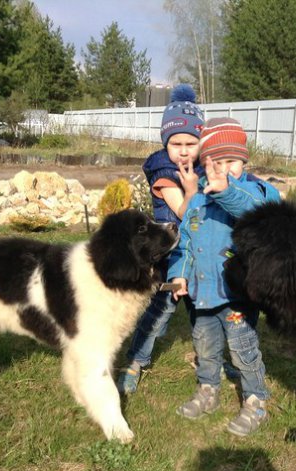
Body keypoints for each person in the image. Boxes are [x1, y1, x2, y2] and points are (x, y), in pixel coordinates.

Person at [168, 117, 281, 437]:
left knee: (243, 349)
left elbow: (260, 217)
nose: (222, 169)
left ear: (243, 160)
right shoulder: (198, 201)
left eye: (230, 161)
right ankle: (208, 389)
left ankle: (255, 399)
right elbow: (186, 244)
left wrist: (227, 192)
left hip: (236, 295)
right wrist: (180, 276)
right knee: (205, 347)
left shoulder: (254, 191)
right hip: (202, 294)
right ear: (204, 164)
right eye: (214, 162)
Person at [115, 84, 204, 394]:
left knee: (202, 310)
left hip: (198, 251)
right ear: (166, 142)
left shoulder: (199, 168)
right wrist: (194, 190)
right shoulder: (165, 171)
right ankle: (136, 361)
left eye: (190, 143)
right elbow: (183, 209)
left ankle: (208, 362)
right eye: (175, 142)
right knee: (160, 311)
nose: (182, 150)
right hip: (170, 254)